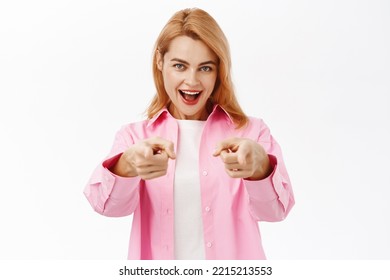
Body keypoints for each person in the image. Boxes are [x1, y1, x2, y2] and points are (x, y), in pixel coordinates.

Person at [84, 7, 294, 260]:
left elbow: (277, 211)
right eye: (180, 66)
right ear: (160, 62)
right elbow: (106, 207)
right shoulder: (135, 137)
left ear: (219, 71)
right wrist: (128, 164)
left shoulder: (251, 132)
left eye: (205, 68)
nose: (192, 81)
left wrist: (260, 166)